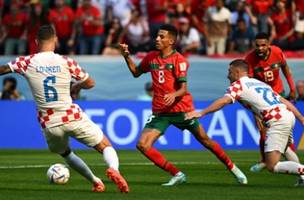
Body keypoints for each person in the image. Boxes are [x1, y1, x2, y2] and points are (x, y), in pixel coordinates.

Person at [0, 25, 129, 193]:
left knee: (66, 153)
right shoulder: (66, 61)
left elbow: (3, 69)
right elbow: (90, 83)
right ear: (55, 40)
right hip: (71, 116)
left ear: (36, 42)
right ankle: (114, 169)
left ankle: (96, 181)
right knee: (104, 145)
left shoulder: (26, 61)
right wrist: (76, 86)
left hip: (49, 123)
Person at [119, 24, 247, 186]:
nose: (157, 39)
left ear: (171, 41)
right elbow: (136, 73)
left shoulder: (179, 60)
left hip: (182, 110)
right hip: (161, 113)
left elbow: (183, 89)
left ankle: (233, 168)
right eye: (157, 36)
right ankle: (177, 174)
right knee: (142, 145)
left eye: (162, 37)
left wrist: (173, 94)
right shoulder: (151, 57)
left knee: (205, 140)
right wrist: (126, 56)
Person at [185, 59, 304, 186]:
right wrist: (301, 118)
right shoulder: (260, 83)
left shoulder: (238, 85)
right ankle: (302, 178)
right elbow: (284, 101)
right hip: (286, 115)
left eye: (229, 72)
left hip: (277, 121)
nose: (227, 75)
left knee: (272, 165)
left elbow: (224, 101)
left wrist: (202, 112)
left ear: (237, 72)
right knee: (285, 149)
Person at [245, 32, 299, 172]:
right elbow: (248, 86)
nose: (260, 48)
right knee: (263, 131)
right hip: (261, 100)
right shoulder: (249, 59)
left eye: (263, 45)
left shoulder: (277, 52)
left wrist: (292, 88)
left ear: (269, 44)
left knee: (285, 134)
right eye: (257, 45)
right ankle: (265, 160)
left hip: (278, 95)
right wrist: (256, 113)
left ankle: (295, 166)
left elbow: (286, 69)